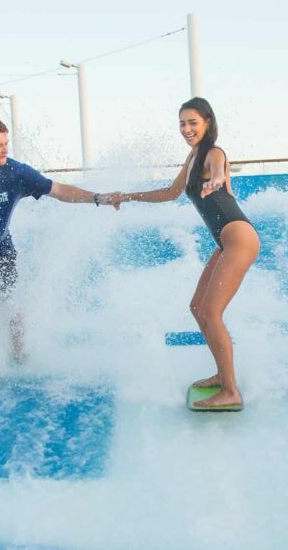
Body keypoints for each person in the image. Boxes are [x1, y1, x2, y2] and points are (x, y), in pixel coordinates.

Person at [0, 116, 114, 382]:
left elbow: (59, 190)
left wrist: (97, 198)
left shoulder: (16, 172)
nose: (4, 150)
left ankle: (19, 355)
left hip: (1, 249)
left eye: (6, 144)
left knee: (12, 303)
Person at [104, 98, 260, 410]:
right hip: (226, 241)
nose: (186, 129)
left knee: (212, 313)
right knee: (198, 307)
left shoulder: (214, 153)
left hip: (239, 237)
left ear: (207, 123)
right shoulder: (192, 158)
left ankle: (230, 390)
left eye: (193, 123)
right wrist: (128, 196)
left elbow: (217, 170)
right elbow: (169, 193)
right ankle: (222, 375)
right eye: (182, 124)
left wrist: (217, 180)